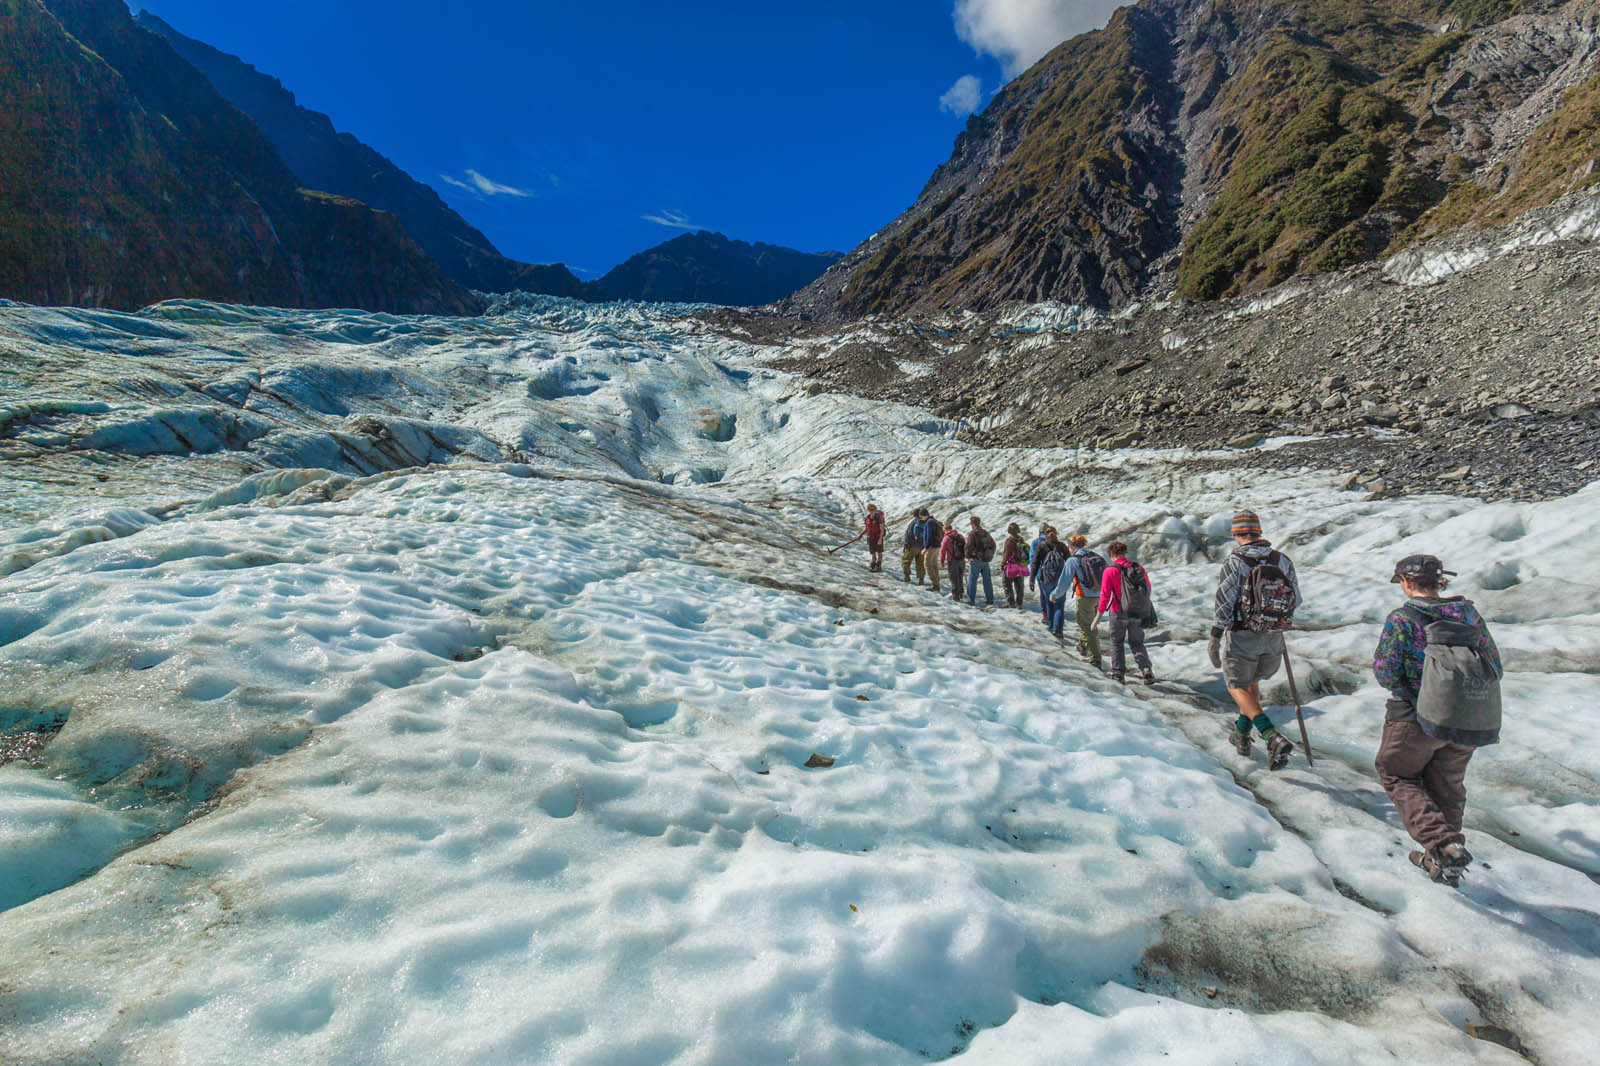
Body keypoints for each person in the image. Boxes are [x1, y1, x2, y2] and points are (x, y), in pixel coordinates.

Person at [1373, 554, 1502, 886]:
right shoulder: (1467, 613)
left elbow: (1387, 672)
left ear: (1405, 582)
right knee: (1448, 783)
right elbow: (1494, 665)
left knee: (1397, 773)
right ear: (1439, 581)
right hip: (1468, 715)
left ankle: (1443, 845)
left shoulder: (1403, 618)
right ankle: (1445, 855)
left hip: (1415, 715)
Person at [1207, 510, 1300, 770]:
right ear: (1258, 532)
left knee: (1235, 684)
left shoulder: (1235, 562)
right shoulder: (1282, 560)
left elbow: (1224, 601)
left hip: (1243, 633)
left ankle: (1270, 735)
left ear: (1236, 534)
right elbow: (1297, 598)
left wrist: (1216, 634)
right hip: (1274, 636)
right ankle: (1242, 735)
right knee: (1252, 683)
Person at [1096, 540, 1155, 684]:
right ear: (1124, 553)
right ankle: (1146, 668)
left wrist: (1098, 615)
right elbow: (1148, 589)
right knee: (1137, 642)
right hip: (1137, 612)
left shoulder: (1110, 571)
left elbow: (1105, 595)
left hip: (1118, 612)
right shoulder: (1138, 567)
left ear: (1111, 554)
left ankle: (1118, 673)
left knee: (1117, 642)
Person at [1055, 534, 1106, 670]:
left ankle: (1095, 658)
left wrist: (1055, 595)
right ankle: (1082, 646)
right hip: (1100, 596)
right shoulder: (1095, 556)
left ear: (1072, 546)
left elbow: (1064, 582)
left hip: (1085, 597)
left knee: (1089, 627)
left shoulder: (1073, 560)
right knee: (1088, 623)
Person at [1035, 530, 1072, 640]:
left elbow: (1035, 563)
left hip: (1046, 579)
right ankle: (1058, 630)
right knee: (1059, 605)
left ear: (1046, 535)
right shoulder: (1062, 546)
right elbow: (1069, 561)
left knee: (1049, 603)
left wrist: (1032, 579)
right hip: (1060, 580)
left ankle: (1051, 627)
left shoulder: (1041, 546)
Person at [964, 516, 996, 607]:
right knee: (987, 581)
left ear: (972, 524)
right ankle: (990, 600)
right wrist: (989, 556)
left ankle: (971, 600)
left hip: (976, 560)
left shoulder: (972, 534)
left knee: (972, 580)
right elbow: (993, 544)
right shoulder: (985, 532)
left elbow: (968, 547)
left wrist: (968, 557)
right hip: (986, 560)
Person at [1000, 523, 1030, 608]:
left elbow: (1006, 554)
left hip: (1012, 565)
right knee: (1019, 585)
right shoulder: (1021, 540)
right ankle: (1019, 604)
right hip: (1021, 565)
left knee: (1006, 583)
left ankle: (1010, 603)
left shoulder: (1009, 541)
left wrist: (1002, 564)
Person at [940, 518, 967, 601]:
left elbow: (943, 550)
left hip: (952, 560)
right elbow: (965, 547)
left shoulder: (946, 538)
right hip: (961, 559)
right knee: (960, 576)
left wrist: (942, 560)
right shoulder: (960, 536)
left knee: (953, 578)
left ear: (945, 530)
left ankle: (955, 596)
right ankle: (961, 593)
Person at [1028, 524, 1051, 622]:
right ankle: (1054, 613)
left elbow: (1033, 559)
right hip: (1054, 573)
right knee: (1053, 593)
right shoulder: (1055, 542)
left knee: (1043, 594)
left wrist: (1032, 577)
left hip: (1040, 573)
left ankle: (1045, 615)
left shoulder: (1035, 542)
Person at [901, 509, 927, 584]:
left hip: (912, 546)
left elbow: (908, 534)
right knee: (920, 563)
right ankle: (921, 579)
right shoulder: (926, 522)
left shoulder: (914, 522)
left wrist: (906, 544)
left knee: (906, 561)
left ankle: (907, 577)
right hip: (922, 547)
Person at [921, 512, 944, 592]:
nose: (921, 519)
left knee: (927, 564)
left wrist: (926, 548)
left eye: (921, 517)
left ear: (924, 515)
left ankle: (935, 584)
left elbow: (929, 536)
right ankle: (937, 583)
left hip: (931, 547)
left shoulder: (929, 522)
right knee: (934, 564)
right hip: (937, 545)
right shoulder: (935, 521)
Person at [863, 503, 885, 572]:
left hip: (877, 537)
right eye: (870, 509)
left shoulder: (878, 518)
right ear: (868, 510)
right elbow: (867, 527)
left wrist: (880, 539)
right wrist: (861, 534)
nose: (872, 511)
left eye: (873, 509)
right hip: (870, 537)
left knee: (879, 552)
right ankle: (873, 564)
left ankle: (878, 566)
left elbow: (881, 529)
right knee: (873, 552)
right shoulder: (867, 518)